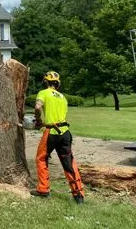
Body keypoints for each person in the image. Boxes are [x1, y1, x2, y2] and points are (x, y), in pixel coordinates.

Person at [30, 71, 85, 204]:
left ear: (46, 82)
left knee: (41, 159)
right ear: (58, 84)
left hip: (51, 132)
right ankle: (78, 195)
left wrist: (38, 120)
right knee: (69, 163)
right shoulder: (63, 98)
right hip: (65, 132)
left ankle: (43, 189)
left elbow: (38, 107)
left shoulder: (43, 93)